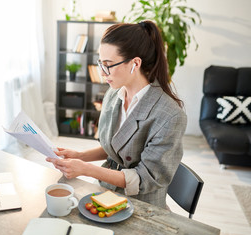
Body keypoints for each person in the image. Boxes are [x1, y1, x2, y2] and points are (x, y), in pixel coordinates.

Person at [47, 21, 187, 209]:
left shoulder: (170, 115)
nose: (103, 73)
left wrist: (87, 169)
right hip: (107, 192)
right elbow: (116, 147)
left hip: (142, 204)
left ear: (135, 63)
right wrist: (80, 156)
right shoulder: (114, 95)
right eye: (100, 64)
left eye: (108, 65)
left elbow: (145, 179)